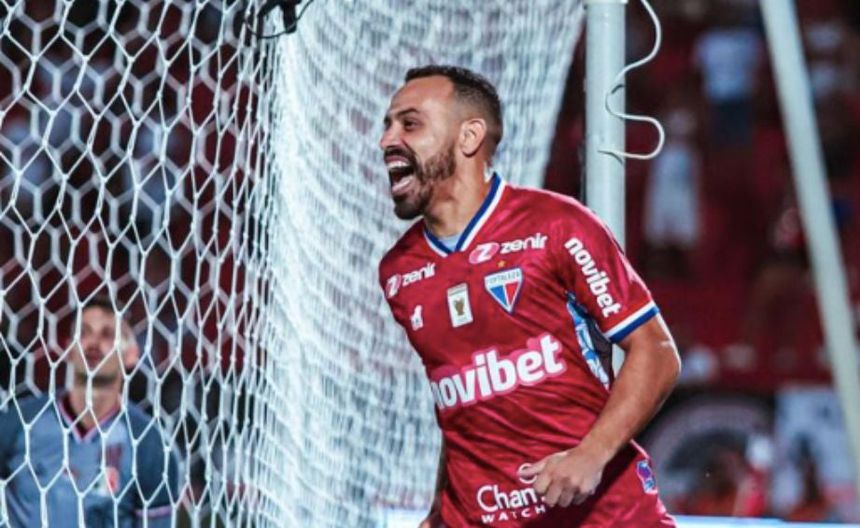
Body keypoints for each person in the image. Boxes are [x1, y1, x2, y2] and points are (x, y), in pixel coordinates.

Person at [377, 65, 681, 527]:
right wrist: (439, 508)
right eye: (388, 125)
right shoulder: (398, 271)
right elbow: (461, 403)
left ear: (469, 137)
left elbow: (656, 353)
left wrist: (591, 454)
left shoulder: (558, 227)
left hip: (604, 516)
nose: (387, 140)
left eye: (410, 124)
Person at [0, 297, 179, 527]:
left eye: (107, 335)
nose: (93, 343)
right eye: (84, 333)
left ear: (131, 355)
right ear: (69, 348)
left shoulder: (147, 443)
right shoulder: (21, 423)